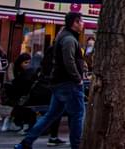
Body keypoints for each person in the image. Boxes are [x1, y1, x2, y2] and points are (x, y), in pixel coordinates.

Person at [15, 12, 86, 149]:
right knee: (77, 115)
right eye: (81, 21)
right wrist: (78, 78)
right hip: (69, 83)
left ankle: (26, 142)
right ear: (75, 23)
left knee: (51, 115)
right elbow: (69, 61)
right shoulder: (69, 39)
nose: (82, 24)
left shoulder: (63, 36)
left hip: (58, 83)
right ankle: (77, 145)